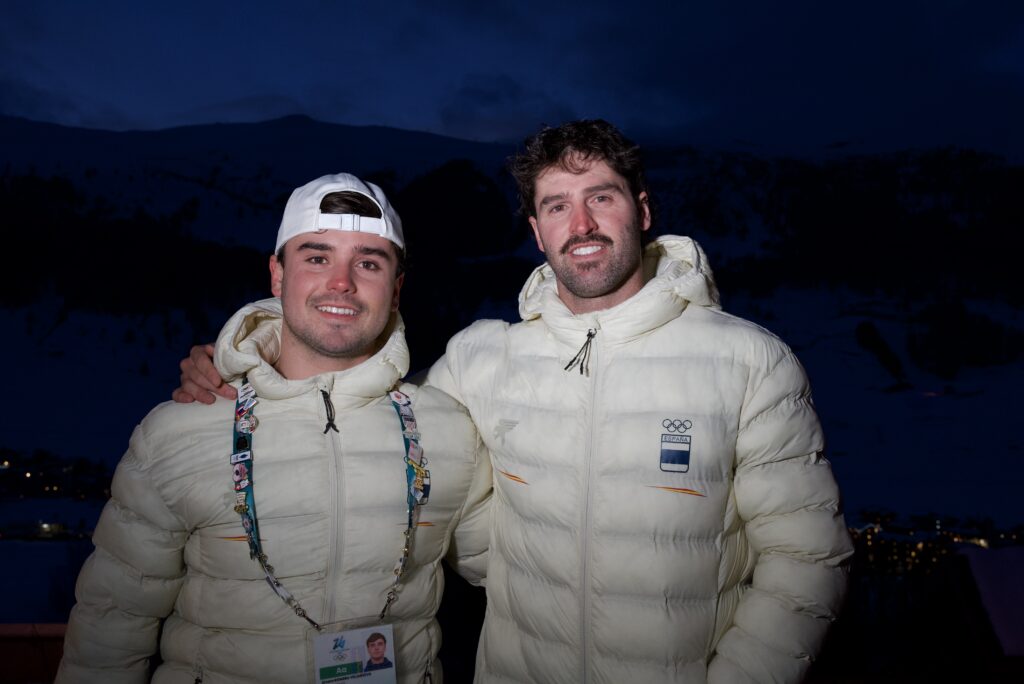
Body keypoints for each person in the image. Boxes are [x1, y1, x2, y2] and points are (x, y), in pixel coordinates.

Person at [176, 121, 854, 683]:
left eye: (602, 198)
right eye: (558, 204)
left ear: (642, 212)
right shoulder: (485, 358)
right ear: (536, 229)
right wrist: (248, 362)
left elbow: (808, 558)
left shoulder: (746, 360)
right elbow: (370, 422)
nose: (581, 222)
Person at [58, 173, 491, 684]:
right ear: (277, 276)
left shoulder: (447, 429)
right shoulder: (178, 431)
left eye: (368, 263)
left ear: (396, 290)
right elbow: (112, 623)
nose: (341, 282)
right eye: (316, 257)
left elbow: (527, 570)